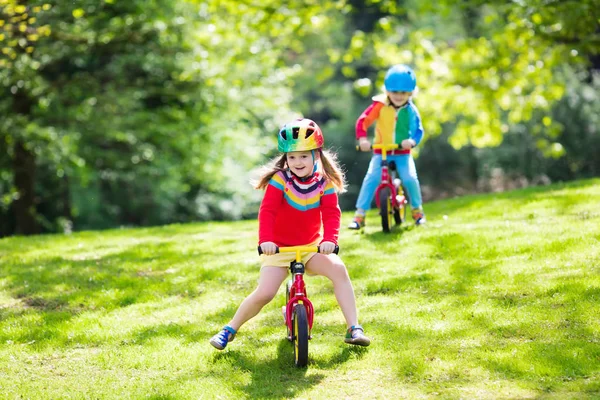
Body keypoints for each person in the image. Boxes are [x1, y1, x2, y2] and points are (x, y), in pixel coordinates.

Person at [209, 118, 371, 350]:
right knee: (264, 293)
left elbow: (331, 213)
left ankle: (354, 327)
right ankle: (229, 330)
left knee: (338, 269)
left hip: (309, 248)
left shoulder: (324, 183)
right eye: (292, 157)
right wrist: (265, 241)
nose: (297, 162)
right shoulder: (280, 180)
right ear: (285, 158)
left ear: (316, 154)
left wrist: (329, 240)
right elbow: (268, 212)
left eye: (303, 155)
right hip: (278, 249)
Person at [348, 64, 427, 229]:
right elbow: (363, 121)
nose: (398, 96)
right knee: (371, 179)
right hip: (381, 151)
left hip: (402, 152)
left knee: (410, 179)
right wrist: (362, 139)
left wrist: (411, 141)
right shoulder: (379, 105)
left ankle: (417, 211)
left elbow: (418, 130)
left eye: (403, 93)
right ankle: (359, 216)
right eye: (394, 92)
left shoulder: (411, 110)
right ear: (387, 91)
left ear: (411, 93)